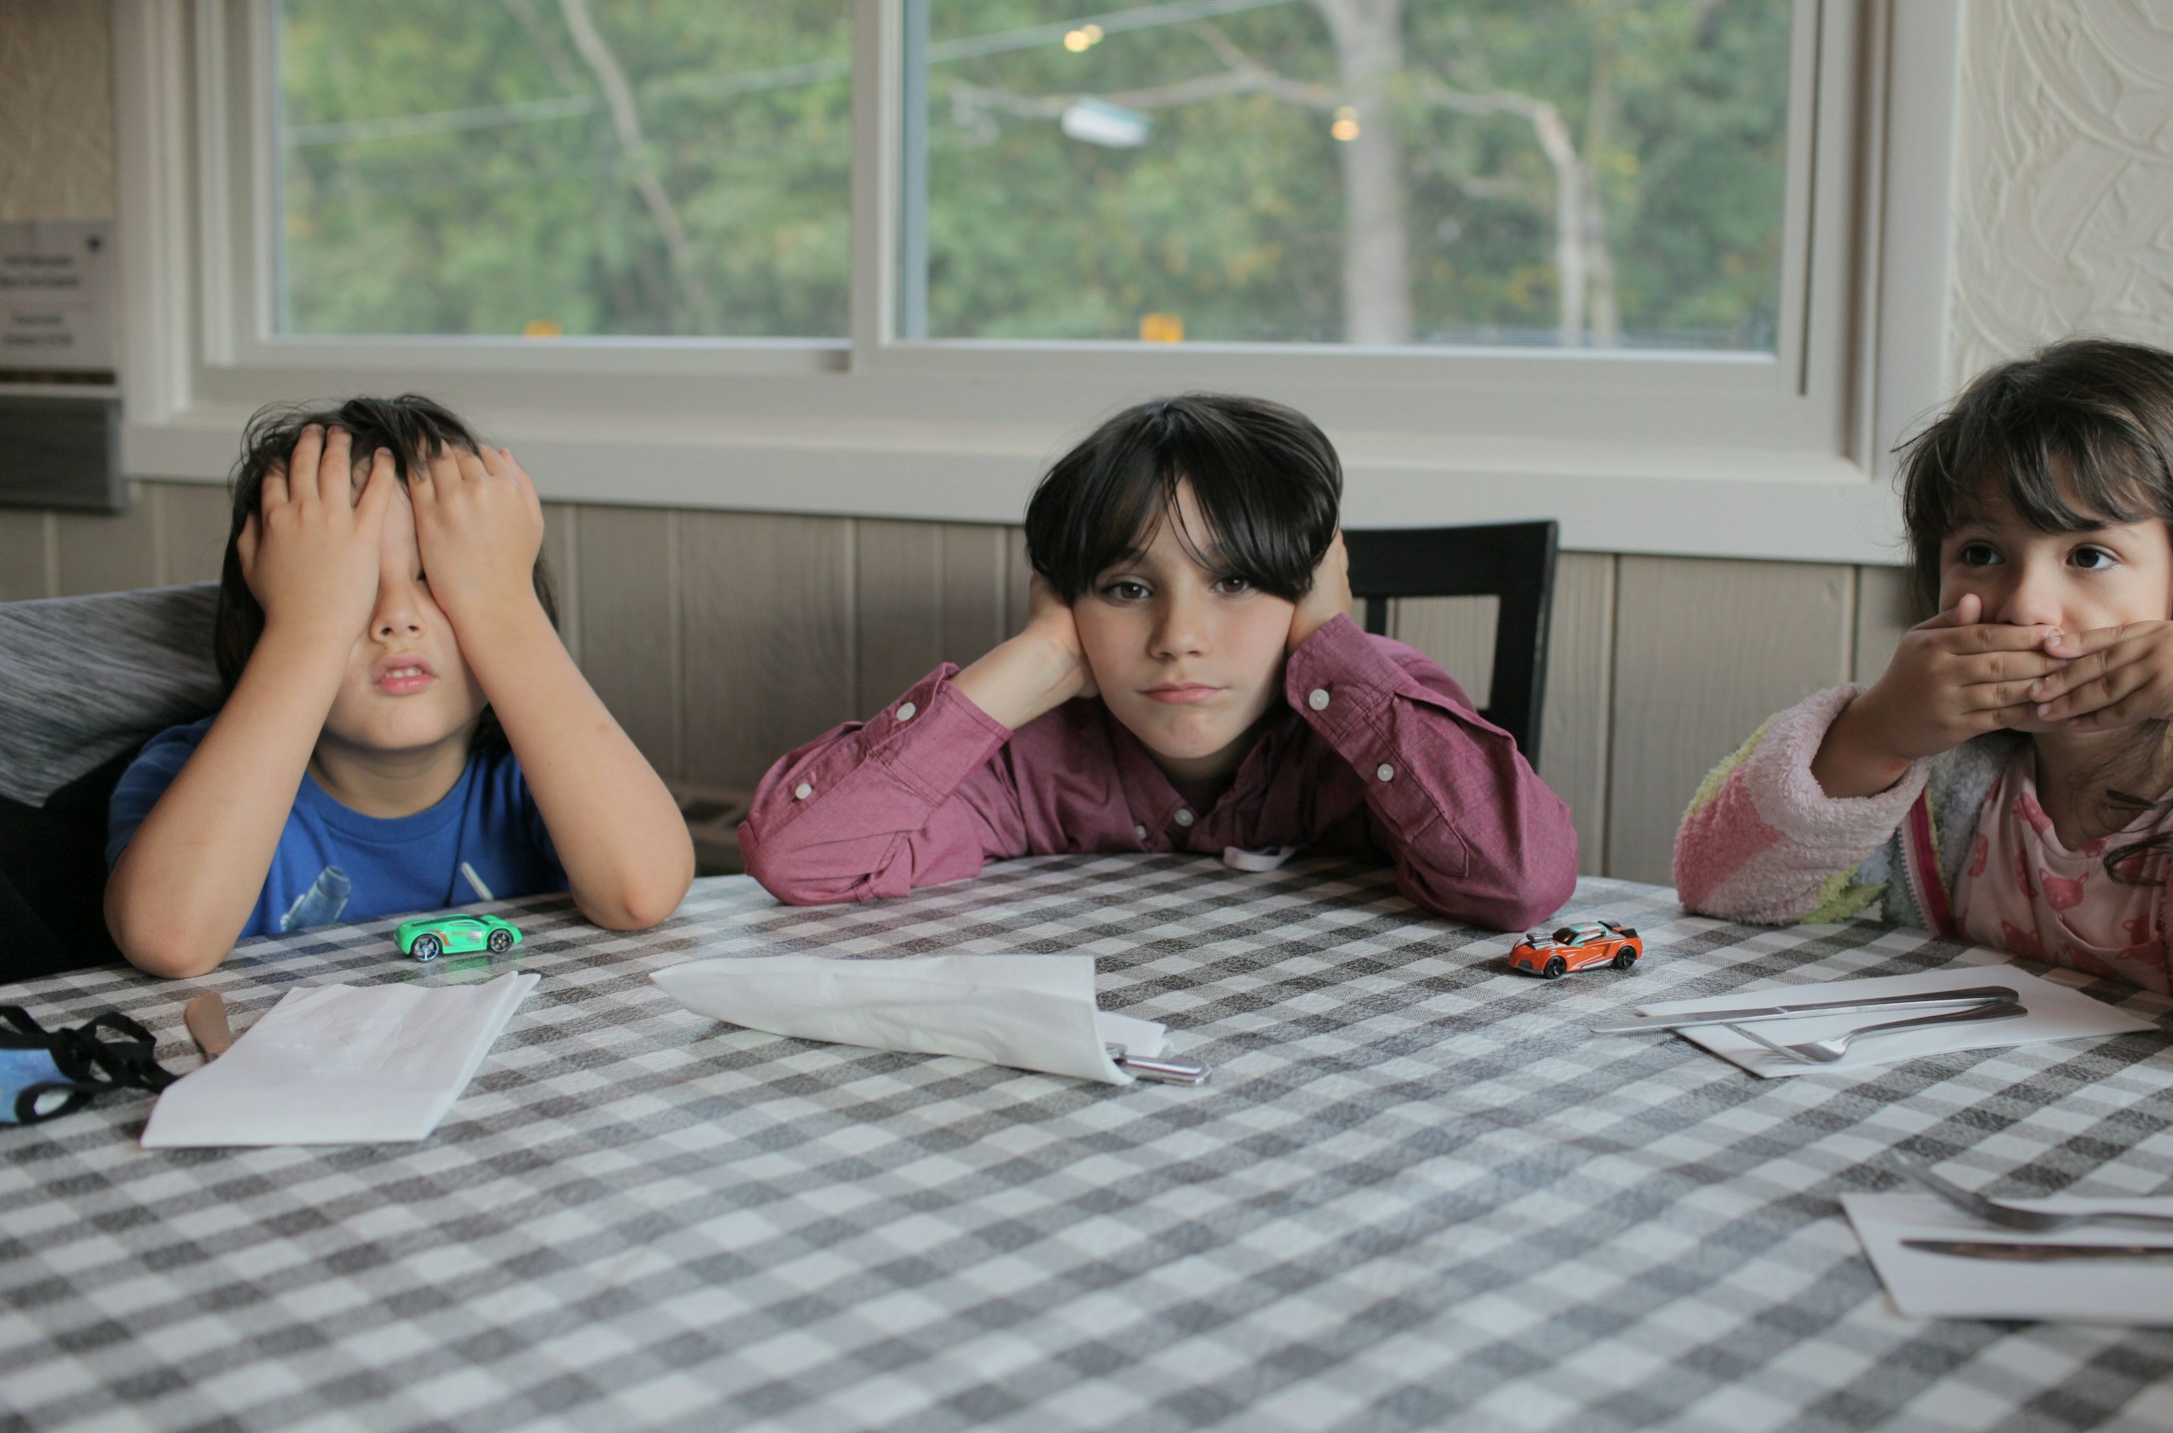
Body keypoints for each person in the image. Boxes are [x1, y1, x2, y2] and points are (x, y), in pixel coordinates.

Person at [1675, 340, 2173, 1097]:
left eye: (2088, 556)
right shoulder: (1932, 784)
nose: (2024, 607)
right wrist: (1873, 733)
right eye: (1982, 552)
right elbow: (1722, 893)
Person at [741, 393, 1579, 931]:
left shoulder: (1374, 710)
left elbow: (1521, 881)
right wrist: (1030, 660)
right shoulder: (1023, 761)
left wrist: (1333, 644)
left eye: (1238, 581)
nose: (1180, 635)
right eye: (1128, 588)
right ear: (1065, 605)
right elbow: (801, 859)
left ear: (1312, 589)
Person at [106, 396, 693, 977]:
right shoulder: (182, 774)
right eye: (350, 589)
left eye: (437, 580)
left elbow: (640, 894)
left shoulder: (540, 778)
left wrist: (503, 609)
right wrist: (308, 627)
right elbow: (170, 940)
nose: (397, 617)